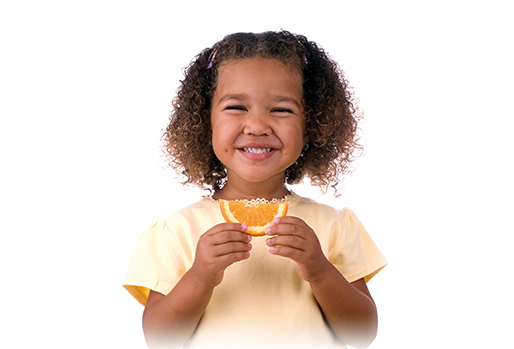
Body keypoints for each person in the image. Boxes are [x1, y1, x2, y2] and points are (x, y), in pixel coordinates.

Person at [123, 30, 387, 349]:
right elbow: (159, 339)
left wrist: (320, 270)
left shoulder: (334, 228)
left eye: (281, 110)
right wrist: (200, 277)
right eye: (236, 107)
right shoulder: (176, 232)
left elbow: (362, 334)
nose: (258, 126)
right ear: (206, 123)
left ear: (310, 125)